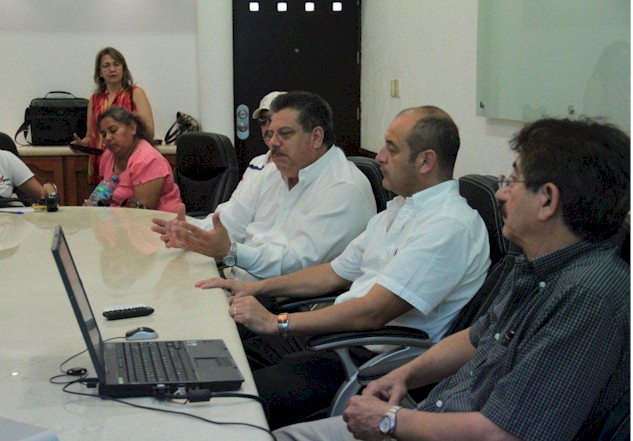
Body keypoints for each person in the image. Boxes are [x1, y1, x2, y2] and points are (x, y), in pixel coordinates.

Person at [272, 117, 630, 441]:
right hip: (434, 416)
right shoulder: (536, 267)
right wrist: (405, 376)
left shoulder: (587, 297)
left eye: (513, 180)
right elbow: (476, 337)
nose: (502, 192)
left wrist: (390, 421)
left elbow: (503, 435)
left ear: (547, 200)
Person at [197, 106, 491, 429]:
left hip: (366, 360)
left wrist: (277, 322)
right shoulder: (400, 209)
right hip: (336, 338)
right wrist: (254, 288)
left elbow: (373, 312)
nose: (379, 156)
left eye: (391, 149)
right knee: (222, 346)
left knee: (231, 401)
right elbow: (333, 272)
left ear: (425, 162)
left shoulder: (448, 225)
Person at [151, 91, 376, 282]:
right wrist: (190, 231)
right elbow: (230, 223)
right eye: (271, 134)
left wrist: (231, 252)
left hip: (286, 309)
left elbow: (297, 265)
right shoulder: (272, 172)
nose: (273, 142)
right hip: (238, 282)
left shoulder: (343, 188)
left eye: (285, 134)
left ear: (316, 137)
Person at [72, 47, 154, 185]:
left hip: (129, 161)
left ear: (123, 68)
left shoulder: (136, 93)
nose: (112, 69)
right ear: (99, 72)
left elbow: (148, 131)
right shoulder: (94, 99)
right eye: (106, 66)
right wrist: (82, 145)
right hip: (101, 163)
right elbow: (91, 136)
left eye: (116, 64)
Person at [91, 106, 181, 212]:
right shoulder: (107, 156)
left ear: (132, 128)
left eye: (113, 130)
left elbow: (142, 211)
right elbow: (104, 196)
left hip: (160, 223)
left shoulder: (148, 160)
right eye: (104, 134)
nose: (108, 138)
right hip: (117, 220)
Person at [242, 91, 286, 180]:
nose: (268, 127)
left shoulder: (297, 169)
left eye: (273, 118)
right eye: (262, 120)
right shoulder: (255, 164)